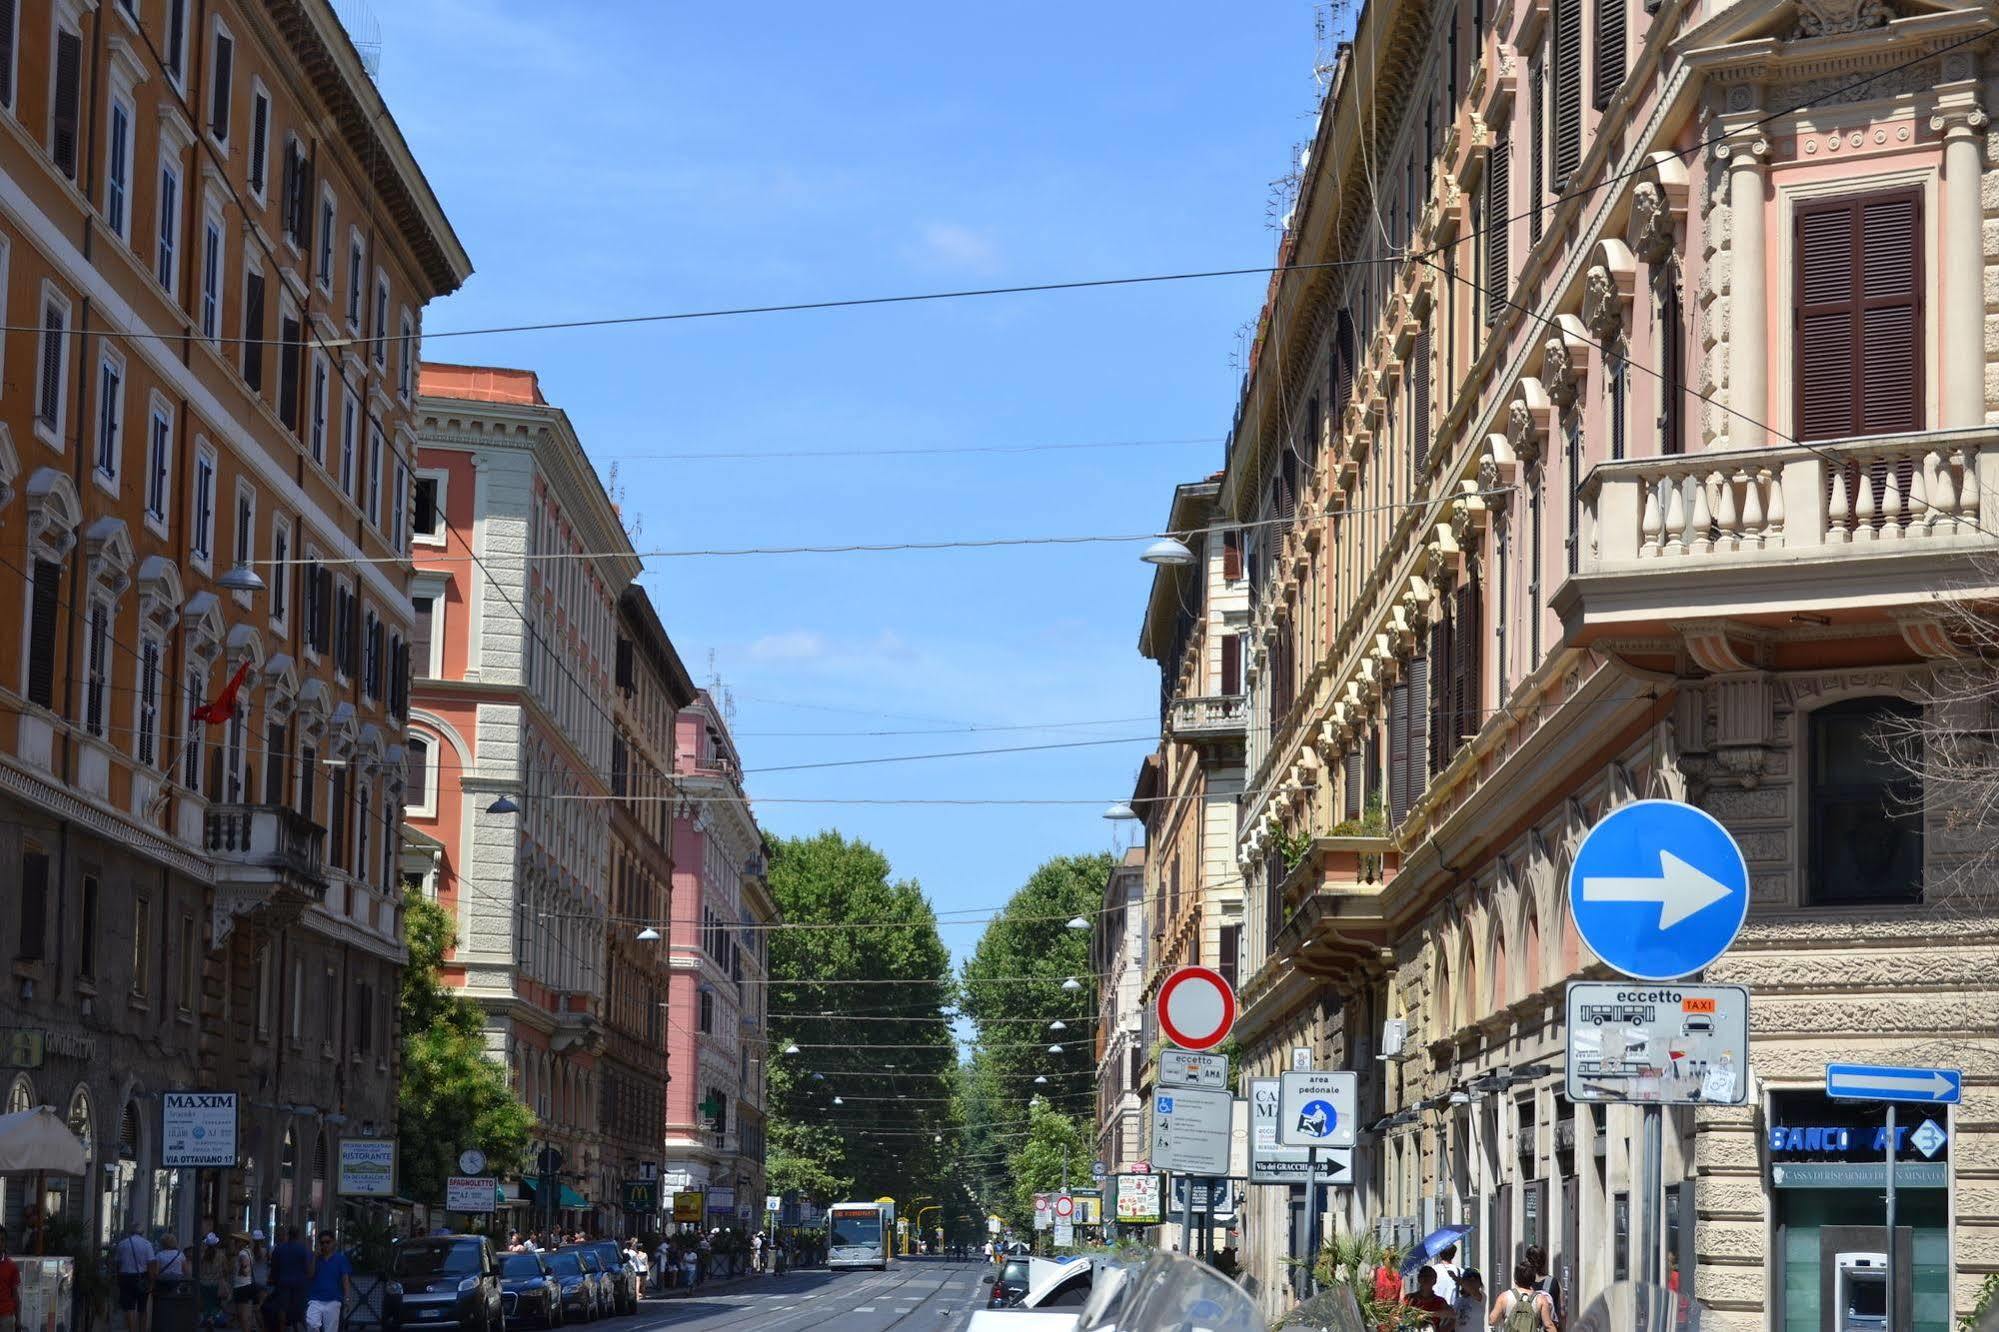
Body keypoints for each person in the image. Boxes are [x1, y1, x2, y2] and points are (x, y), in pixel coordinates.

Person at [1489, 1259, 1556, 1331]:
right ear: (1533, 1279)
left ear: (1515, 1278)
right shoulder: (1541, 1299)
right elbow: (1549, 1325)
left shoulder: (1504, 1297)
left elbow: (1492, 1320)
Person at [303, 1232, 351, 1332]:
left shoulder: (340, 1258)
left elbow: (345, 1279)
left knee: (331, 1329)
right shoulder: (316, 1258)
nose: (325, 1245)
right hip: (315, 1299)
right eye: (322, 1243)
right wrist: (314, 1258)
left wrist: (347, 1298)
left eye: (327, 1242)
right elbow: (310, 1275)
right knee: (312, 1323)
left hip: (333, 1300)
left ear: (333, 1242)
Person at [268, 1227, 312, 1332]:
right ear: (298, 1235)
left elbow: (274, 1267)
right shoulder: (303, 1249)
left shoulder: (279, 1249)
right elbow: (308, 1268)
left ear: (288, 1235)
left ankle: (282, 1328)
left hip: (283, 1283)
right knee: (301, 1310)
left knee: (282, 1309)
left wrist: (273, 1279)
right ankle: (306, 1329)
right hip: (300, 1283)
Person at [1525, 1245, 1563, 1329]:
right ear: (1544, 1261)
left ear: (1528, 1261)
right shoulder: (1554, 1282)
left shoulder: (1524, 1283)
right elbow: (1561, 1313)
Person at [1404, 1264, 1453, 1329]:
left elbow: (1452, 1315)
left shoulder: (1439, 1301)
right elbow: (1398, 1316)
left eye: (1429, 1276)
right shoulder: (1410, 1298)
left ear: (1435, 1280)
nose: (1426, 1278)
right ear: (1419, 1278)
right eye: (1423, 1275)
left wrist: (1428, 1314)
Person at [0, 1228, 23, 1332]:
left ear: (5, 1243)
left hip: (6, 1317)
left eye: (2, 1240)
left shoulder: (12, 1266)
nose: (0, 1243)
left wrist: (18, 1320)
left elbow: (15, 1295)